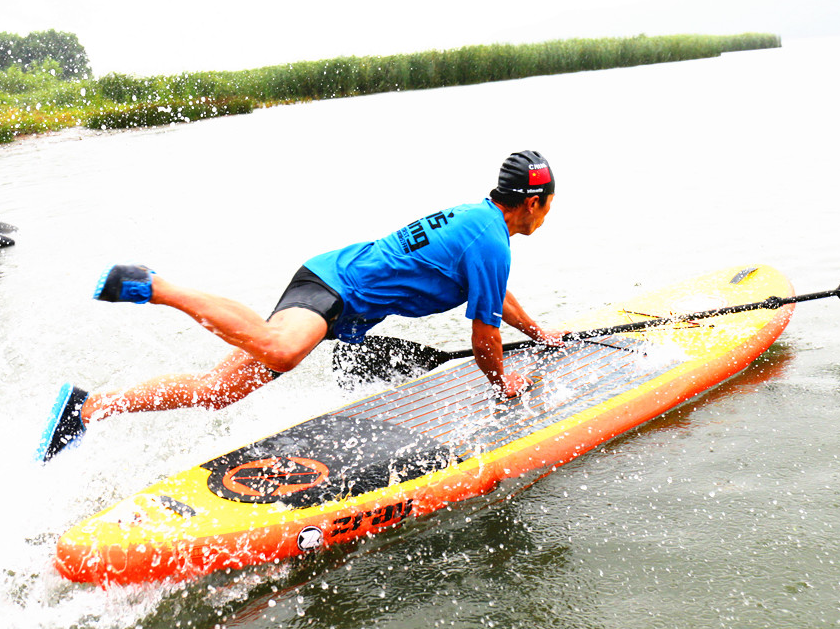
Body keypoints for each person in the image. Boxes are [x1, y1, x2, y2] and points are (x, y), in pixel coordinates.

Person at [38, 150, 566, 461]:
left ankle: (87, 408)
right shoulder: (492, 239)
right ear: (534, 202)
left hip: (335, 290)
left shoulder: (480, 224)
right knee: (283, 351)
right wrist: (504, 387)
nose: (546, 216)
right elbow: (484, 339)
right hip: (334, 289)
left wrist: (537, 332)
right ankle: (153, 285)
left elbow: (492, 298)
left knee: (218, 391)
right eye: (549, 207)